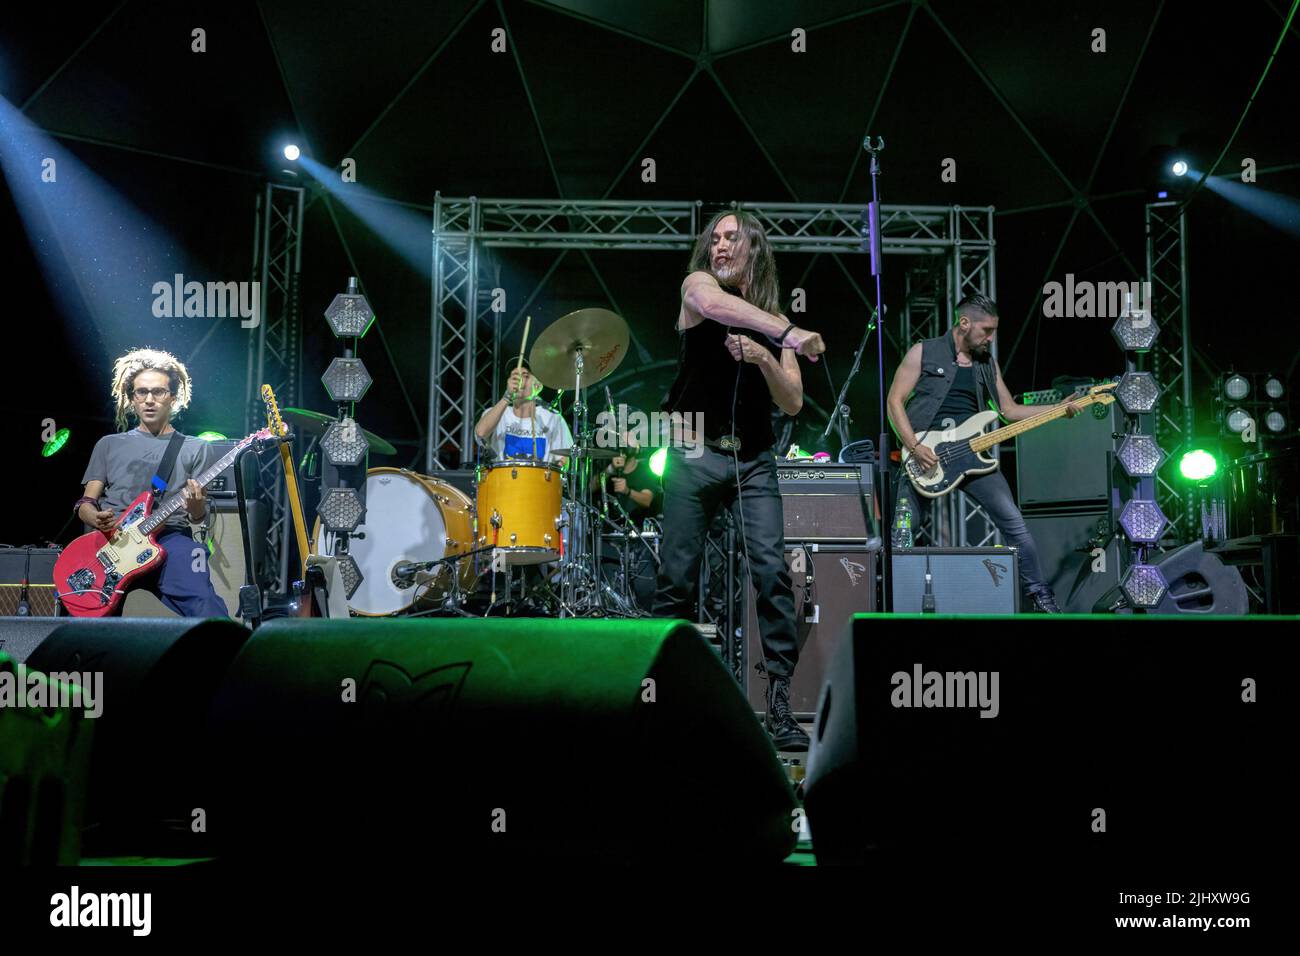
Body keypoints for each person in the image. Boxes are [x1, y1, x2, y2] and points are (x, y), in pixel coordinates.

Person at [652, 210, 826, 751]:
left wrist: (765, 358)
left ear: (754, 249)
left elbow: (792, 400)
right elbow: (711, 305)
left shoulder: (770, 320)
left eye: (732, 238)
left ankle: (777, 704)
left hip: (752, 461)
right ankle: (665, 696)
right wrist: (788, 333)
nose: (720, 246)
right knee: (677, 575)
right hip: (693, 452)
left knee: (773, 573)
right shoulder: (698, 286)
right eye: (715, 239)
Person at [885, 293, 1082, 613]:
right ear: (964, 323)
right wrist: (915, 447)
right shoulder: (924, 351)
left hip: (972, 455)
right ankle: (891, 602)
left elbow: (1008, 410)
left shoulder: (986, 363)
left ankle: (1042, 598)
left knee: (1014, 523)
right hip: (925, 455)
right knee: (903, 530)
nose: (990, 337)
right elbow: (895, 401)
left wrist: (1057, 409)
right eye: (986, 330)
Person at [73, 348, 229, 617]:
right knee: (88, 615)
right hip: (112, 543)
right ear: (131, 398)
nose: (149, 400)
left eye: (158, 392)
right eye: (141, 392)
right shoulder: (109, 444)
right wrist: (96, 517)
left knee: (204, 602)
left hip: (169, 539)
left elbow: (196, 517)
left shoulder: (196, 448)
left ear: (173, 397)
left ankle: (227, 650)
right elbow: (85, 503)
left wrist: (196, 505)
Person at [473, 363, 572, 465]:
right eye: (514, 376)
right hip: (502, 479)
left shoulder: (553, 417)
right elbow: (480, 433)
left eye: (525, 375)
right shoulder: (496, 413)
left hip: (539, 480)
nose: (518, 380)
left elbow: (563, 461)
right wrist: (506, 397)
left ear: (537, 386)